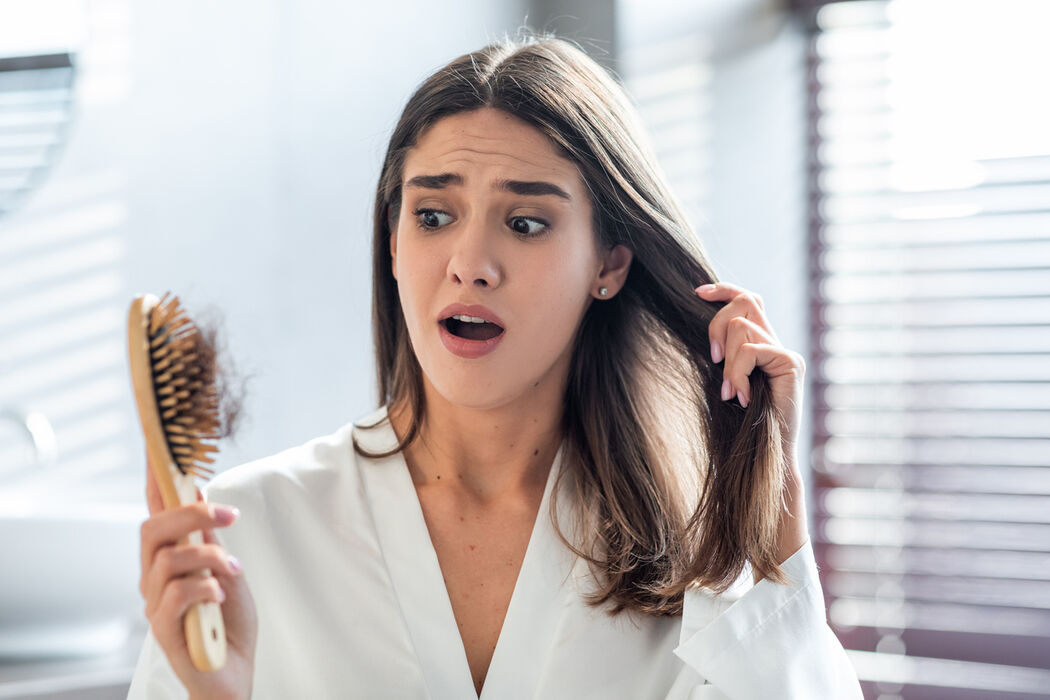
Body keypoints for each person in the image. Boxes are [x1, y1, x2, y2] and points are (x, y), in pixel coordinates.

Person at [127, 30, 863, 700]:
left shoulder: (694, 556)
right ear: (392, 243)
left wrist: (772, 536)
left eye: (526, 223)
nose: (470, 264)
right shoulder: (245, 536)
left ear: (608, 264)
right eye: (433, 216)